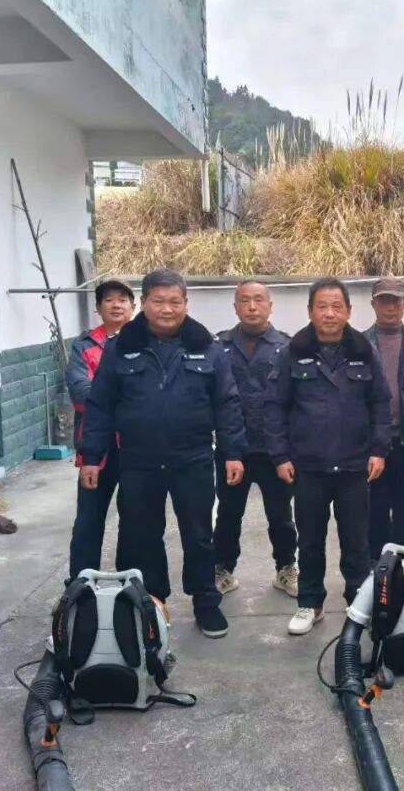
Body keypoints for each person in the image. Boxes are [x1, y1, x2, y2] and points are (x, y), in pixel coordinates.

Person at [80, 268, 246, 640]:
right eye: (158, 301)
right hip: (138, 460)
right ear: (144, 303)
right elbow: (100, 404)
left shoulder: (207, 346)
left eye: (174, 302)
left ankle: (205, 602)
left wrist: (233, 452)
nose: (167, 309)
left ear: (186, 303)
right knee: (143, 535)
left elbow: (227, 402)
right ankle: (153, 602)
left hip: (193, 458)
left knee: (198, 534)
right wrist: (92, 456)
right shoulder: (121, 347)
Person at [264, 278, 391, 635]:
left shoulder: (365, 351)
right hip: (308, 467)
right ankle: (310, 603)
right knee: (310, 541)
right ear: (310, 311)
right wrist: (279, 456)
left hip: (354, 466)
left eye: (337, 306)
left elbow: (381, 405)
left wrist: (379, 450)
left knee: (356, 542)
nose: (330, 313)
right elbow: (274, 407)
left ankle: (358, 604)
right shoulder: (291, 352)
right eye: (322, 306)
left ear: (349, 311)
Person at [213, 280, 299, 598]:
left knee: (281, 515)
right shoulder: (218, 346)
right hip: (232, 449)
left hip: (275, 449)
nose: (252, 306)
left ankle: (286, 568)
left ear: (270, 306)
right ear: (235, 307)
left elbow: (295, 398)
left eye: (259, 300)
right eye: (245, 301)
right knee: (228, 514)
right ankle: (222, 569)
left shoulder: (287, 347)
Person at [65, 278, 135, 581]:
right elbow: (81, 394)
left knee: (134, 521)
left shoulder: (144, 344)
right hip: (95, 447)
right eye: (108, 299)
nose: (116, 305)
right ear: (98, 307)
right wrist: (126, 400)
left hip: (135, 446)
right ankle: (80, 584)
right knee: (88, 521)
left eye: (122, 299)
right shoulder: (83, 346)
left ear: (133, 307)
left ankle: (129, 583)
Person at [364, 276, 404, 559]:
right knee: (373, 513)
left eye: (396, 301)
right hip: (371, 445)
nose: (390, 307)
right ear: (373, 304)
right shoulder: (358, 344)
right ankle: (376, 569)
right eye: (384, 301)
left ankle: (403, 570)